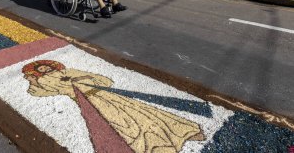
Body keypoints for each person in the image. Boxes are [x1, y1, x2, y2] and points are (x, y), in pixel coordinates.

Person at [22, 60, 204, 152]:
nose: (45, 70)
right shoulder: (43, 81)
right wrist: (33, 82)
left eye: (46, 67)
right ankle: (152, 147)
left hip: (104, 94)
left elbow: (102, 80)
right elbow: (46, 92)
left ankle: (184, 132)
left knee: (144, 112)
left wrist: (82, 79)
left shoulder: (68, 71)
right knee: (121, 125)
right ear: (38, 72)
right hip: (88, 101)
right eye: (42, 70)